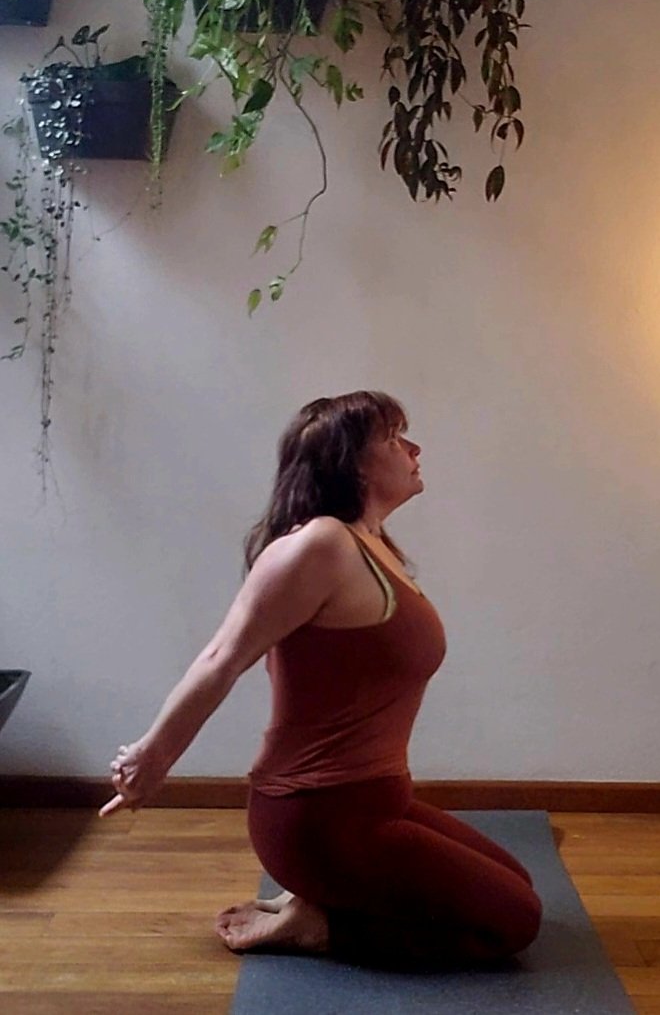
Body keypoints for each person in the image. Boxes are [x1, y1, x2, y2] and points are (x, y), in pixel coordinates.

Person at [101, 390, 542, 968]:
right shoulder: (319, 545)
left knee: (516, 881)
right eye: (393, 437)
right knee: (517, 922)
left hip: (379, 801)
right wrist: (149, 759)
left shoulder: (372, 546)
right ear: (353, 461)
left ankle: (320, 898)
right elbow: (220, 659)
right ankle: (319, 926)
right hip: (320, 819)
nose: (414, 448)